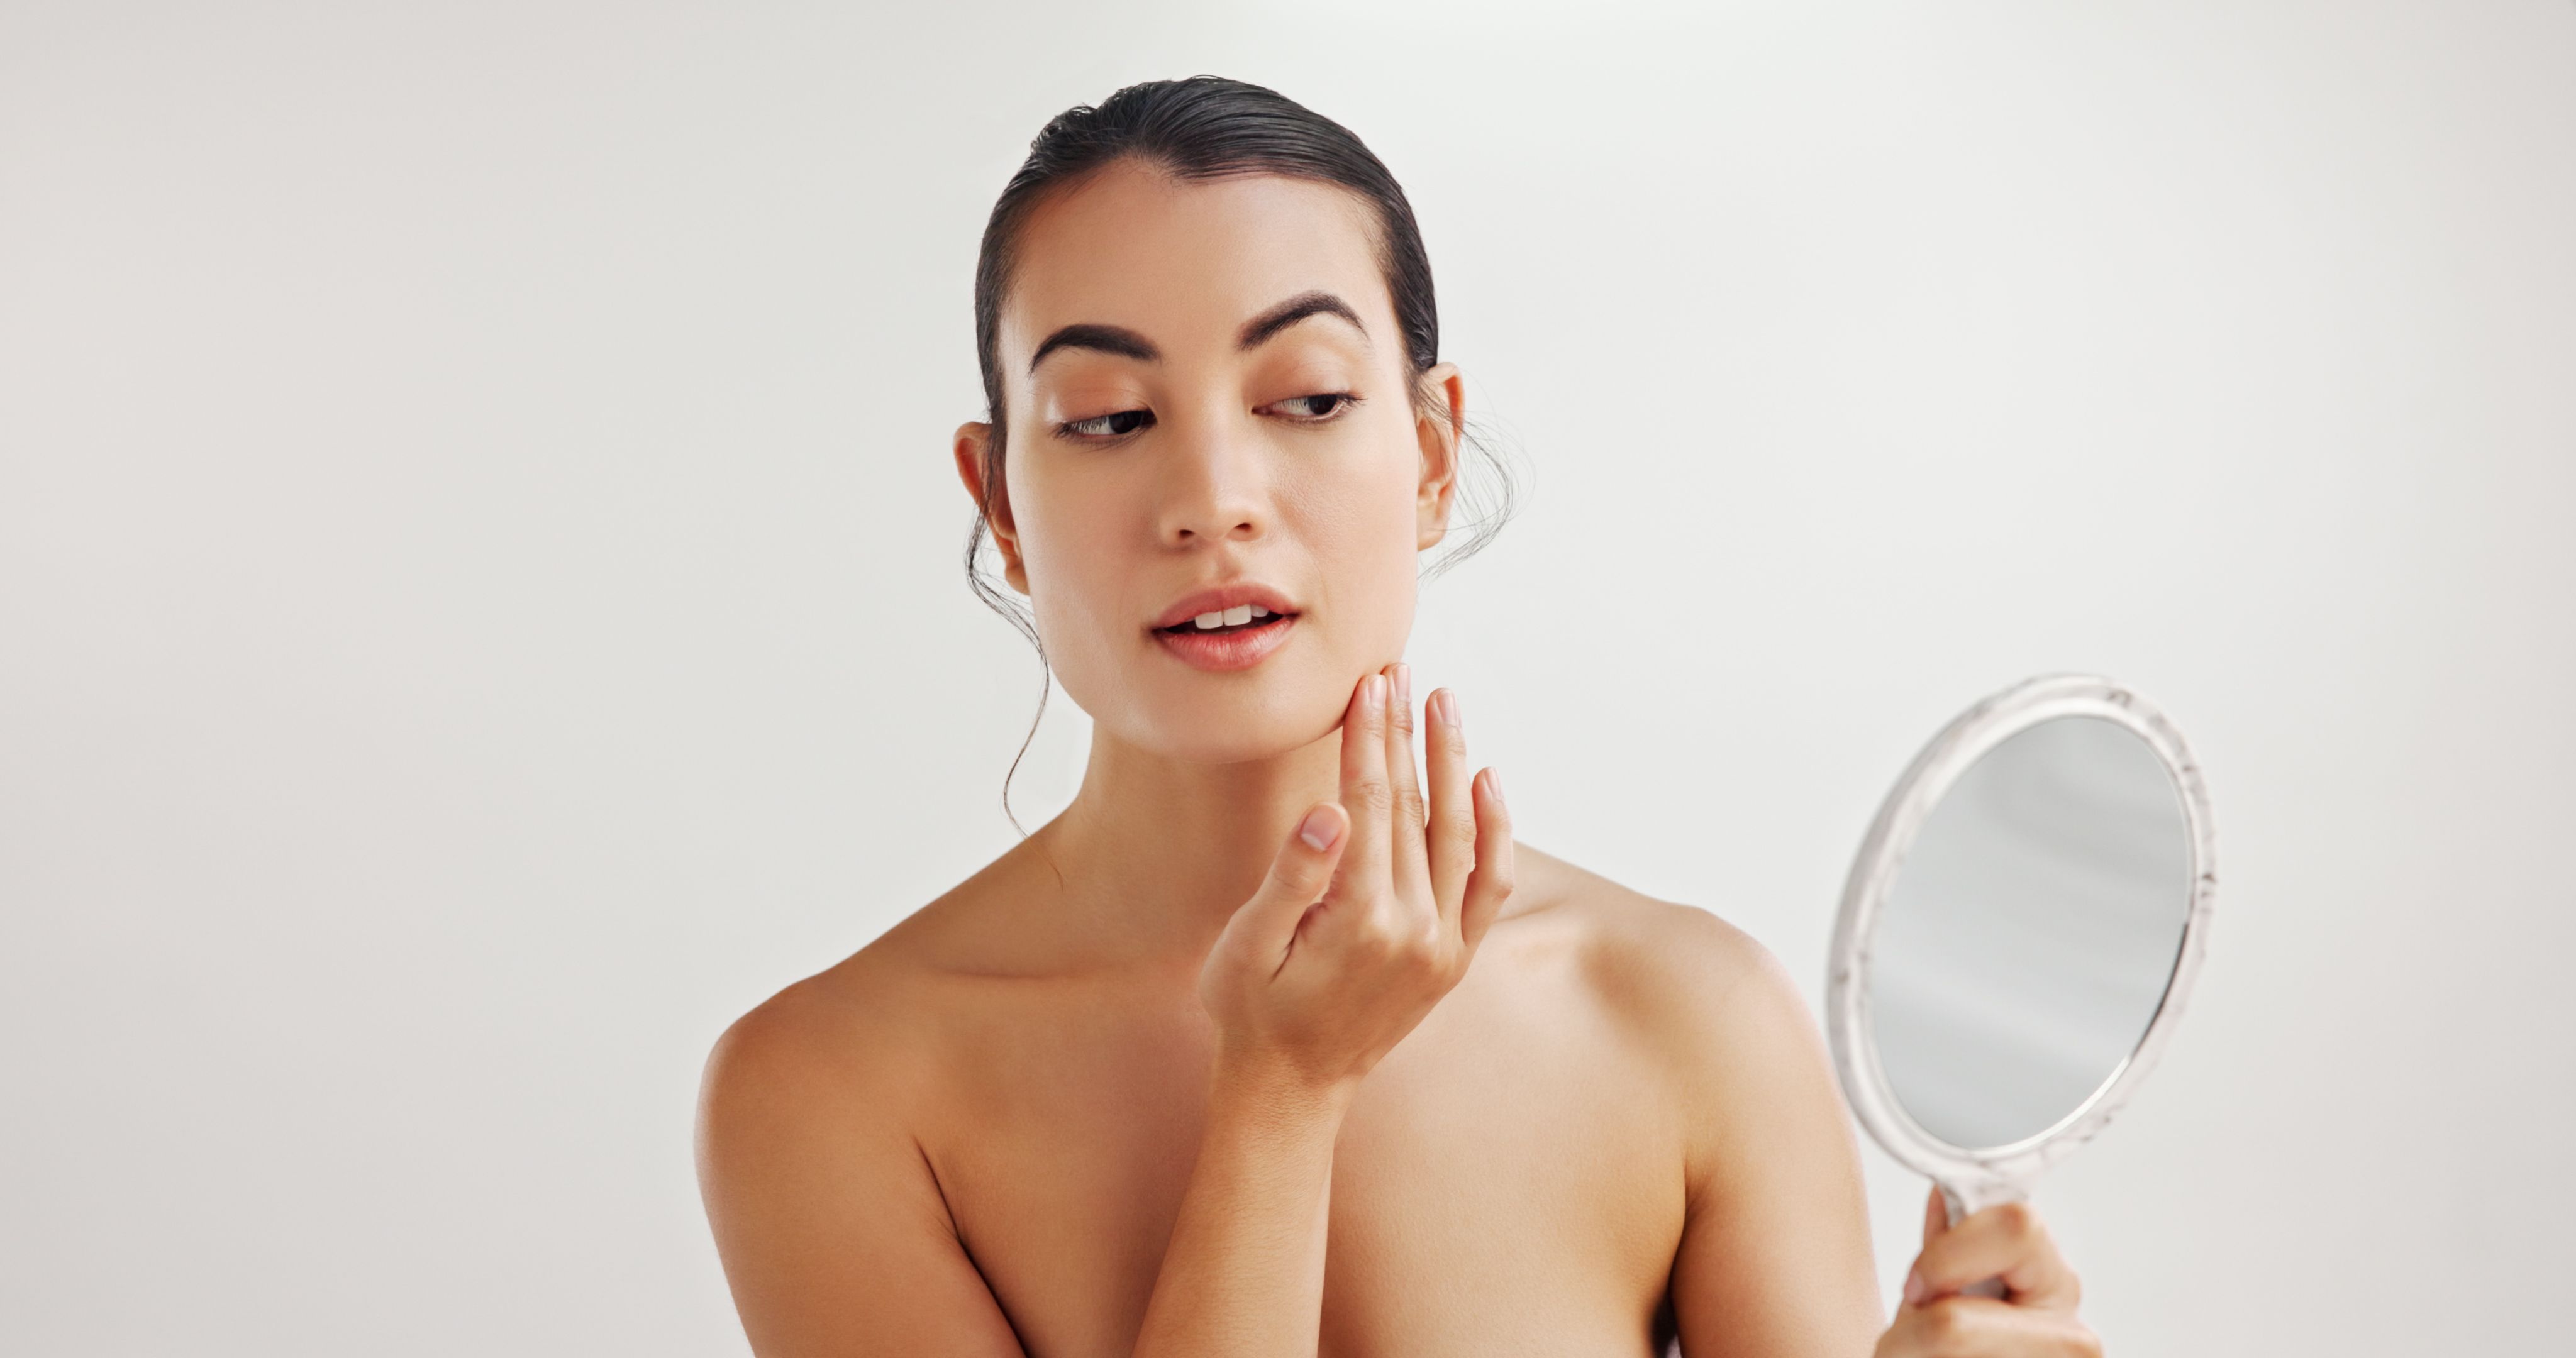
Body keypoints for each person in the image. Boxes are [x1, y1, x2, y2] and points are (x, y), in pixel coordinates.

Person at [694, 75, 2103, 1358]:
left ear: (1428, 457)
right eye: (1112, 418)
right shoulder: (830, 1093)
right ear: (999, 503)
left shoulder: (1684, 1018)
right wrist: (1278, 1093)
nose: (1213, 498)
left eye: (1304, 398)